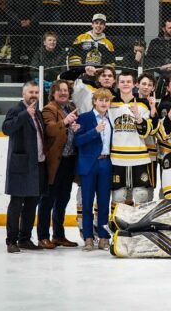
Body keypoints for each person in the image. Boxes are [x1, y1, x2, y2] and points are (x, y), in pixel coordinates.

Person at [2, 81, 46, 253]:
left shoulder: (39, 113)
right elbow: (6, 129)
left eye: (36, 92)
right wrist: (24, 115)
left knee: (31, 204)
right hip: (20, 166)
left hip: (37, 165)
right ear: (23, 94)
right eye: (30, 92)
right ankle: (11, 241)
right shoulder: (16, 110)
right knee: (16, 204)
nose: (34, 95)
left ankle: (25, 239)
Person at [37, 80, 79, 249]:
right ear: (53, 93)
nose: (63, 93)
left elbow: (67, 131)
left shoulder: (68, 108)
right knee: (47, 201)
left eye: (65, 90)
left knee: (62, 200)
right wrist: (66, 122)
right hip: (55, 163)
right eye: (60, 90)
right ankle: (43, 236)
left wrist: (74, 128)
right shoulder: (49, 109)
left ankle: (59, 236)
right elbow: (50, 130)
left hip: (69, 161)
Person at [74, 87, 114, 251]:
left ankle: (104, 238)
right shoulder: (84, 118)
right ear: (94, 101)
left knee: (104, 203)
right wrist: (94, 131)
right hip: (89, 164)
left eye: (107, 100)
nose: (104, 103)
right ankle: (89, 238)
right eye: (101, 100)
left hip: (106, 163)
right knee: (87, 203)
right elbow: (77, 141)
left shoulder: (112, 118)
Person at [109, 71, 156, 207]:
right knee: (118, 195)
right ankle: (117, 226)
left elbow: (147, 132)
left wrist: (138, 117)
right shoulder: (111, 104)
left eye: (128, 81)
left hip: (139, 157)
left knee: (141, 194)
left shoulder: (142, 105)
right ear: (117, 84)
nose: (125, 84)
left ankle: (138, 228)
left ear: (134, 84)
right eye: (122, 81)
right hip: (117, 157)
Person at [6, 0, 41, 65]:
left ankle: (32, 71)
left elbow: (39, 8)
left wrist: (30, 21)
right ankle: (15, 73)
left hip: (31, 25)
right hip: (16, 25)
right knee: (16, 50)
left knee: (32, 50)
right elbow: (8, 9)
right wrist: (19, 21)